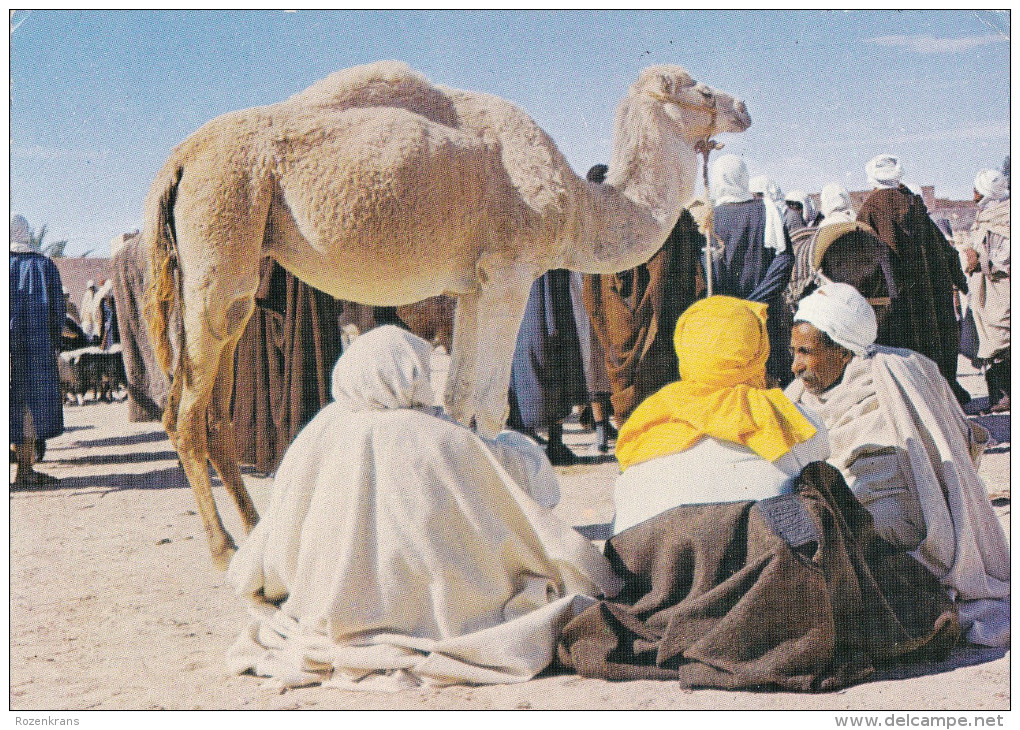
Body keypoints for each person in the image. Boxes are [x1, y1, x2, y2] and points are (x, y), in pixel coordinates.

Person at [556, 295, 959, 691]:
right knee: (821, 485)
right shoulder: (786, 415)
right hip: (753, 582)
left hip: (661, 579)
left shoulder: (645, 418)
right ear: (756, 352)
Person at [227, 325, 621, 689]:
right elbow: (527, 483)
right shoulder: (442, 437)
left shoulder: (322, 431)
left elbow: (275, 532)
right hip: (448, 609)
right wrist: (515, 445)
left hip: (327, 608)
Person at [786, 282, 1010, 646]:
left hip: (903, 526)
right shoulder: (798, 398)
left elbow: (954, 444)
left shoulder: (903, 374)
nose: (794, 366)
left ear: (844, 352)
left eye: (805, 352)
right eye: (793, 351)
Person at [612, 295, 829, 534]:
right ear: (757, 352)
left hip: (660, 565)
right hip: (764, 563)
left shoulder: (650, 418)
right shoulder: (793, 419)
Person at [582, 167, 706, 429]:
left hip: (637, 321)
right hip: (649, 321)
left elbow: (594, 291)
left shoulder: (608, 221)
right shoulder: (665, 217)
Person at [856, 153, 971, 405]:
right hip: (929, 300)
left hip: (895, 304)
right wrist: (960, 282)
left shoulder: (870, 210)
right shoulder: (914, 205)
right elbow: (944, 249)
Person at [230, 257, 345, 475]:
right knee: (298, 356)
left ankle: (281, 452)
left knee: (278, 363)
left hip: (286, 271)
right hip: (302, 271)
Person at [708, 154, 795, 385]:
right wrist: (756, 301)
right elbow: (783, 261)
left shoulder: (710, 217)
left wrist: (737, 305)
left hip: (729, 318)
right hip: (765, 313)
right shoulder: (767, 211)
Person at [508, 268, 589, 465]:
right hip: (545, 296)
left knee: (531, 363)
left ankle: (534, 438)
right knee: (552, 363)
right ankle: (553, 442)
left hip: (529, 296)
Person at [10, 214, 65, 486]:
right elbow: (58, 313)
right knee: (28, 408)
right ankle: (25, 470)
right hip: (36, 350)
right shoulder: (45, 266)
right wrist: (53, 344)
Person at [960, 168, 1010, 414]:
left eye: (977, 189)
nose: (973, 194)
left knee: (1002, 341)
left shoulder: (1007, 217)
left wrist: (977, 260)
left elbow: (1005, 259)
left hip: (1001, 292)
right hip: (983, 292)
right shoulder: (987, 216)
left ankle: (1004, 397)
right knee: (987, 342)